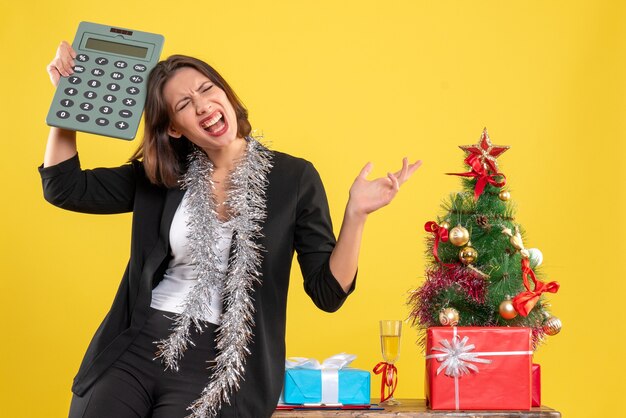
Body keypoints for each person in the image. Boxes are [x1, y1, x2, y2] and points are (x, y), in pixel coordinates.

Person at [42, 41, 422, 418]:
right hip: (137, 345)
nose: (202, 105)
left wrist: (356, 215)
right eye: (184, 104)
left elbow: (327, 293)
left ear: (226, 94)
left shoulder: (294, 178)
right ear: (174, 128)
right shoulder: (162, 176)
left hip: (222, 364)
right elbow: (64, 188)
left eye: (207, 90)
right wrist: (67, 102)